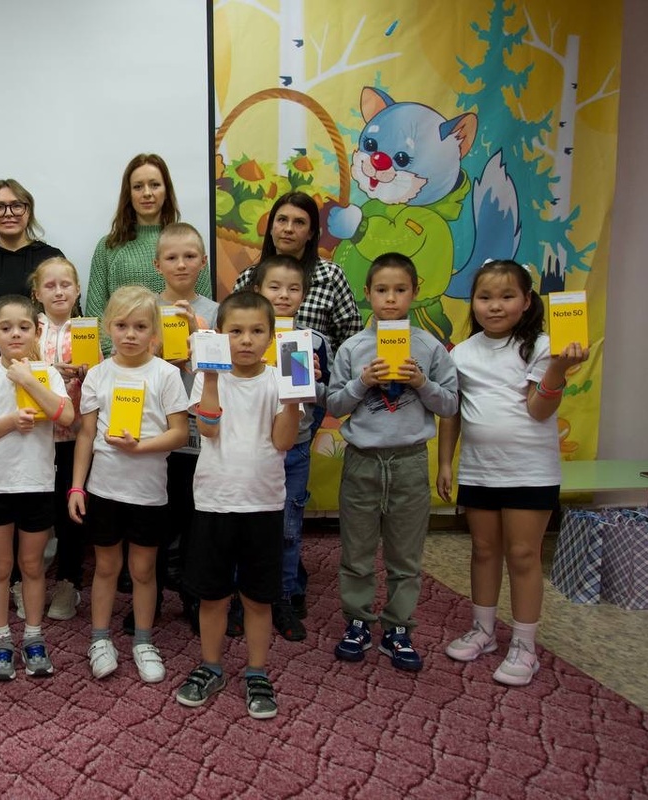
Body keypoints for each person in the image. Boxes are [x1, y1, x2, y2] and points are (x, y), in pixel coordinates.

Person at [436, 260, 587, 686]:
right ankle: (483, 630)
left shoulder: (542, 346)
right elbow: (452, 414)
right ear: (473, 303)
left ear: (527, 301)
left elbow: (540, 410)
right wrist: (446, 462)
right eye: (485, 297)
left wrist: (557, 368)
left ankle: (524, 645)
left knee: (522, 555)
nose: (495, 306)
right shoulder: (462, 353)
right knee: (483, 550)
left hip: (530, 472)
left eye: (507, 297)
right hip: (479, 471)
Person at [327, 253, 458, 671]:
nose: (390, 299)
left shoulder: (430, 347)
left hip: (409, 462)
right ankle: (358, 621)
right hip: (362, 461)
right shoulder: (353, 348)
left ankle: (399, 627)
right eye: (381, 290)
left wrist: (422, 382)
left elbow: (450, 404)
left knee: (406, 554)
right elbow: (333, 404)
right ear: (367, 294)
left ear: (414, 293)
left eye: (400, 290)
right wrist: (362, 381)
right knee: (357, 551)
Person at [174, 291, 301, 719]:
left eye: (257, 331)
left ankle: (257, 670)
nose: (246, 340)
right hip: (215, 502)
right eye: (235, 332)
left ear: (272, 335)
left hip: (263, 504)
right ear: (219, 335)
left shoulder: (280, 379)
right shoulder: (207, 378)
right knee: (212, 595)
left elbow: (283, 441)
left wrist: (294, 397)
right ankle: (211, 665)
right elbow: (208, 430)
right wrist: (211, 374)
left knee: (258, 598)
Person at [68, 285, 189, 683]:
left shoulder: (166, 374)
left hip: (149, 492)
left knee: (143, 570)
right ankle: (99, 639)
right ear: (108, 327)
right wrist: (77, 487)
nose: (130, 334)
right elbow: (86, 435)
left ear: (155, 331)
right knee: (106, 568)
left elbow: (179, 433)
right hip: (104, 490)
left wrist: (141, 447)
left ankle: (143, 640)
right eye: (121, 325)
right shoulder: (98, 375)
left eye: (140, 326)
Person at [0, 295, 74, 680]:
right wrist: (10, 421)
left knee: (32, 566)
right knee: (0, 567)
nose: (15, 334)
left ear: (36, 332)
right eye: (6, 328)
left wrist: (28, 379)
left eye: (23, 327)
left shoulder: (48, 375)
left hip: (37, 485)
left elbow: (66, 415)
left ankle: (33, 636)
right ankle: (0, 640)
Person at [250, 254, 331, 642]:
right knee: (248, 527)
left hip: (294, 449)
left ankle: (282, 597)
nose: (283, 295)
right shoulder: (245, 337)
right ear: (257, 290)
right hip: (250, 449)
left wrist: (313, 381)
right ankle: (244, 597)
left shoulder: (311, 342)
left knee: (287, 528)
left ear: (304, 294)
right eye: (274, 287)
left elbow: (323, 401)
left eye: (293, 288)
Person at [154, 223, 219, 633]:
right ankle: (153, 596)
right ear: (157, 264)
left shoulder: (216, 311)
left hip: (200, 431)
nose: (181, 264)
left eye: (190, 256)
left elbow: (225, 369)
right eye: (172, 257)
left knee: (198, 517)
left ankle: (194, 595)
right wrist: (160, 353)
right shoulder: (146, 309)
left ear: (203, 262)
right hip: (156, 428)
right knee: (159, 516)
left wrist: (200, 337)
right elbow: (129, 359)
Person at [85, 154, 211, 348]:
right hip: (123, 356)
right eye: (138, 187)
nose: (147, 193)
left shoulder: (187, 244)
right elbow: (96, 315)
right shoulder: (109, 246)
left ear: (166, 190)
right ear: (128, 194)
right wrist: (119, 356)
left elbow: (202, 309)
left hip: (182, 356)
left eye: (154, 185)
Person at [231, 191, 361, 355]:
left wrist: (323, 363)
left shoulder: (330, 275)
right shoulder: (249, 278)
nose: (288, 229)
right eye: (282, 220)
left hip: (312, 369)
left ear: (311, 233)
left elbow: (351, 340)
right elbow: (231, 332)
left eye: (299, 222)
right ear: (270, 227)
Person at [31, 257, 87, 621]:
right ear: (37, 293)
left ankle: (69, 581)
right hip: (35, 437)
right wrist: (50, 373)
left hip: (75, 437)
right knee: (37, 511)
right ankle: (27, 579)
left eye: (65, 284)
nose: (59, 291)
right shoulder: (28, 328)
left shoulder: (87, 330)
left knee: (72, 513)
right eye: (49, 286)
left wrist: (88, 372)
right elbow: (15, 368)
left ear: (78, 289)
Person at [0, 179, 65, 331]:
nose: (8, 213)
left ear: (28, 212)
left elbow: (71, 313)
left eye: (17, 206)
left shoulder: (51, 258)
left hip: (43, 346)